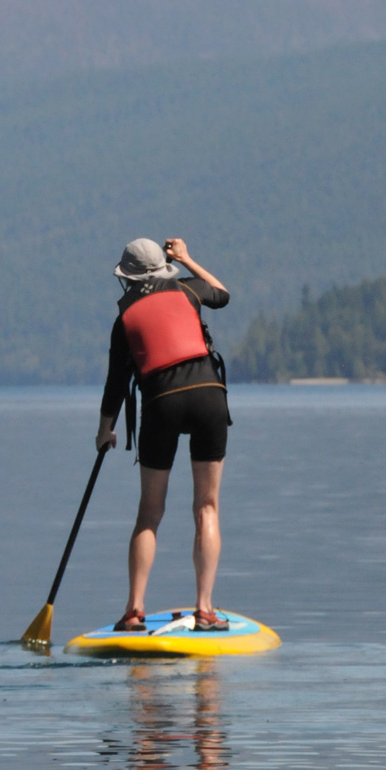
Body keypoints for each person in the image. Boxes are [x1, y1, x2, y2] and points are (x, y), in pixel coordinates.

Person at [96, 236, 231, 632]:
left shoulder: (124, 321)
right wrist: (188, 258)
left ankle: (134, 611)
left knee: (149, 513)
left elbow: (117, 383)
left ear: (128, 279)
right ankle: (205, 610)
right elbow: (222, 294)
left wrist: (105, 431)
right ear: (164, 269)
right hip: (209, 397)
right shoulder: (188, 289)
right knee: (207, 507)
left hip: (162, 402)